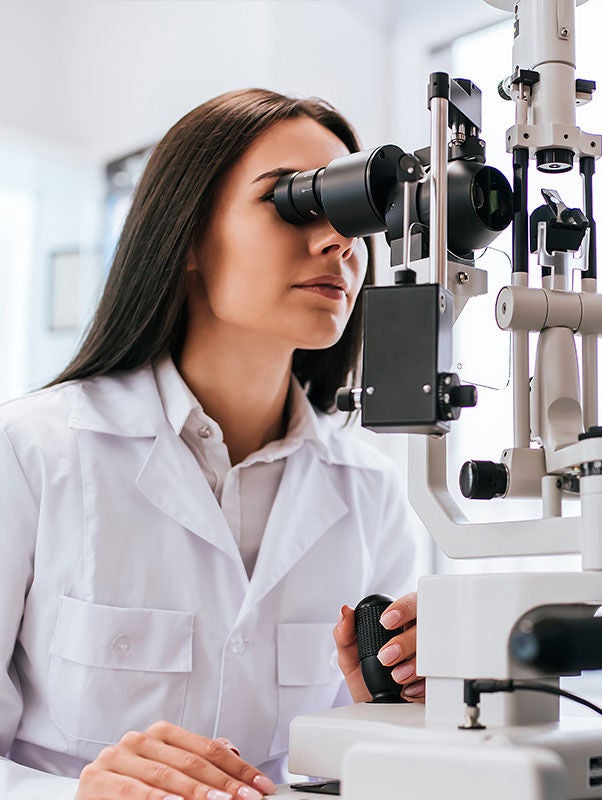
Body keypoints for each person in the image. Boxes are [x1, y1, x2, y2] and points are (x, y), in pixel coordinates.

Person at [0, 89, 425, 800]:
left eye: (352, 214)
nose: (337, 241)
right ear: (188, 236)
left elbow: (362, 767)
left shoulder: (371, 491)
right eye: (295, 200)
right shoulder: (31, 454)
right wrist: (76, 795)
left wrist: (414, 710)